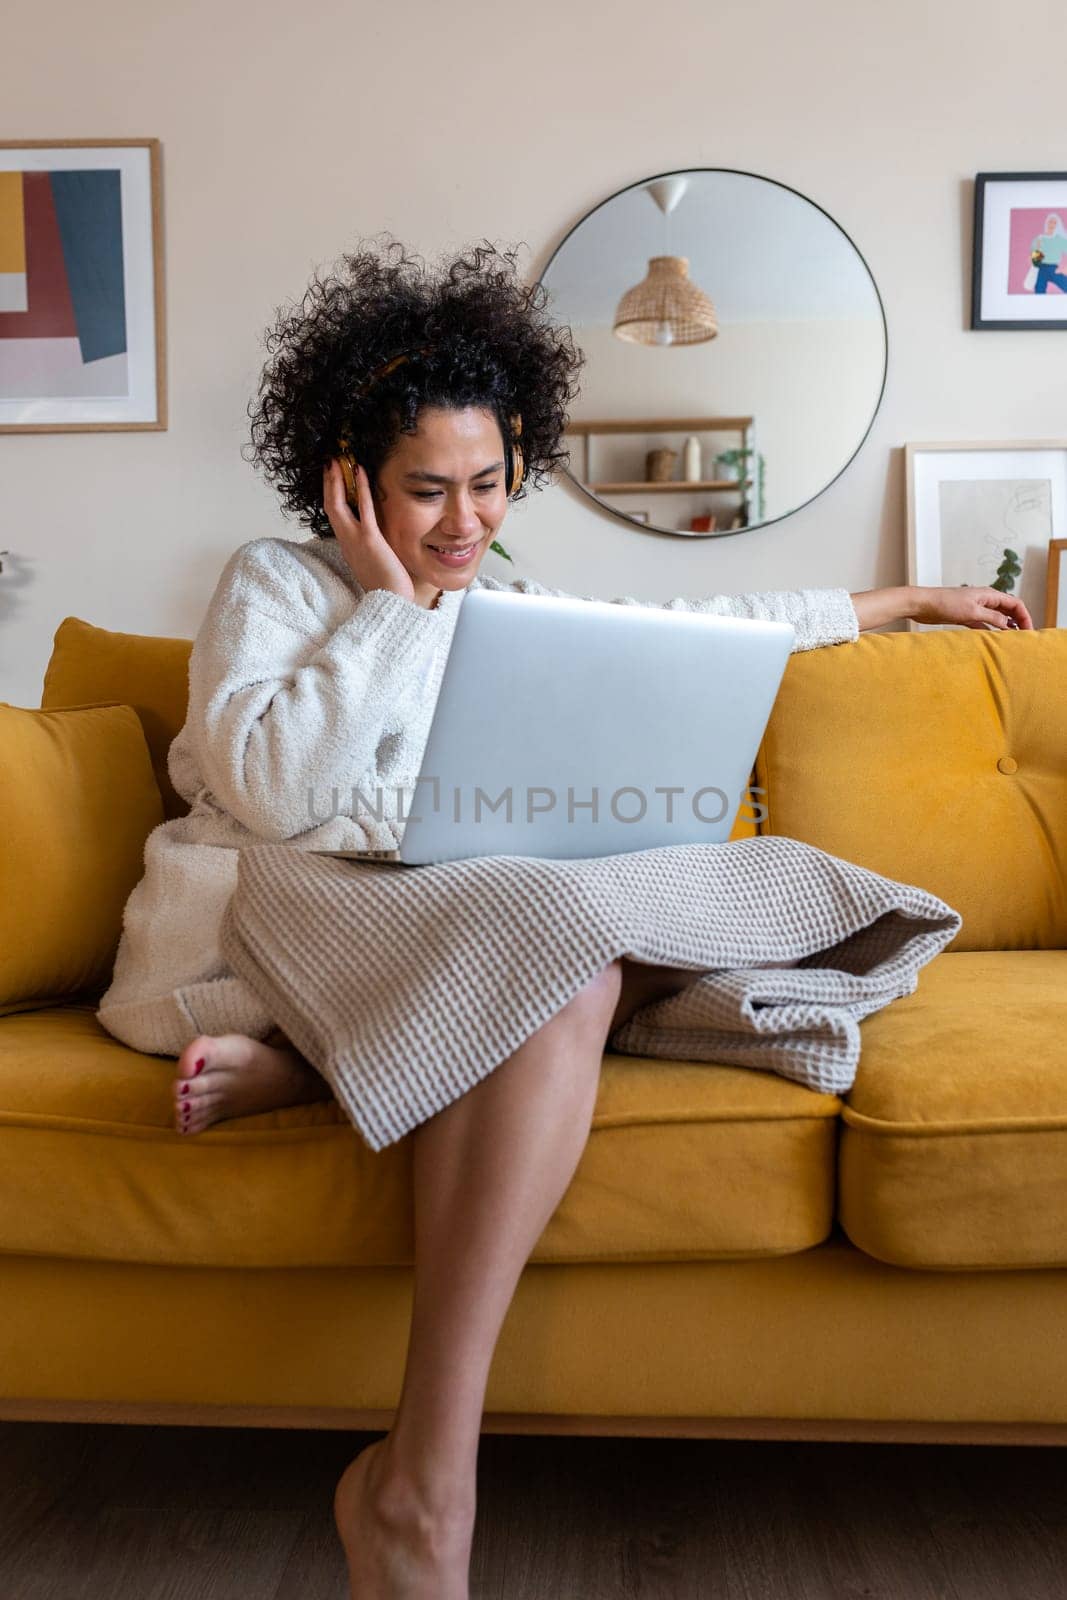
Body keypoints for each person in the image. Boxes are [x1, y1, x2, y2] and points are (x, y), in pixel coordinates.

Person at [96, 237, 1034, 1598]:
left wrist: (896, 603)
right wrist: (390, 607)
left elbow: (705, 621)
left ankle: (341, 1158)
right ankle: (426, 1483)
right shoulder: (279, 584)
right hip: (284, 910)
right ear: (345, 480)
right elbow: (275, 788)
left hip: (463, 920)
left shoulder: (507, 597)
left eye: (488, 485)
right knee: (560, 944)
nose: (464, 524)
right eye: (425, 492)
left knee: (636, 928)